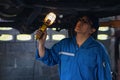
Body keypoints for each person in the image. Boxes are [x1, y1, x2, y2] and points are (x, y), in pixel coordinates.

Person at [35, 15, 112, 80]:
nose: (80, 23)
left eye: (85, 22)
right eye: (80, 20)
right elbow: (47, 58)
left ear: (92, 30)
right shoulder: (64, 45)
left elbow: (104, 76)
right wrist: (41, 43)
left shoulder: (98, 49)